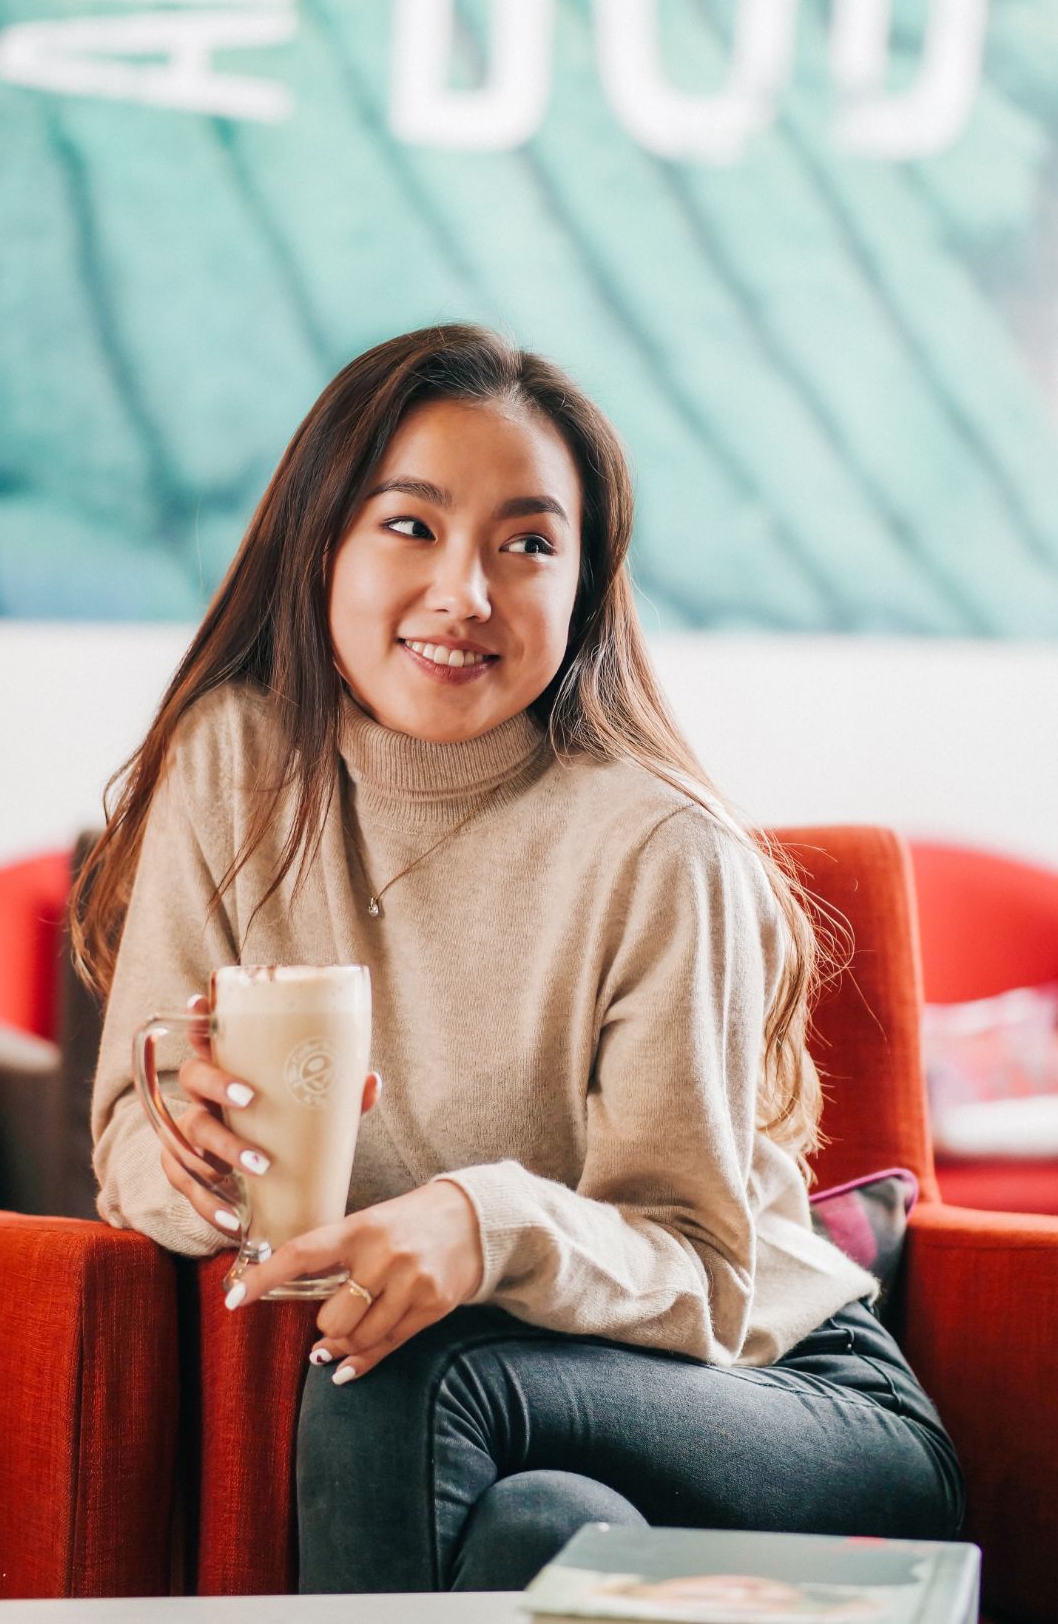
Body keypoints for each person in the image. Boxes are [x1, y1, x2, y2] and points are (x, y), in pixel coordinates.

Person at [76, 323, 965, 1595]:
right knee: (537, 1531)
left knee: (398, 1373)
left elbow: (710, 1278)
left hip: (786, 1403)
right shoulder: (235, 770)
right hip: (510, 1432)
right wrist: (206, 1158)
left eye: (528, 545)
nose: (467, 594)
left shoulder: (657, 847)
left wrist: (480, 1223)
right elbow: (128, 1156)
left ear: (586, 587)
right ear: (318, 540)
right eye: (412, 526)